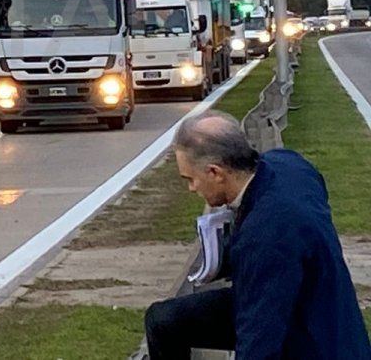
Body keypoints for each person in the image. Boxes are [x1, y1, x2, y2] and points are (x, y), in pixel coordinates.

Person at [144, 111, 370, 359]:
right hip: (322, 306)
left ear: (215, 173)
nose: (191, 188)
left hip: (312, 340)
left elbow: (260, 342)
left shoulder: (265, 237)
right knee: (163, 320)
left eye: (191, 179)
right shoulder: (288, 164)